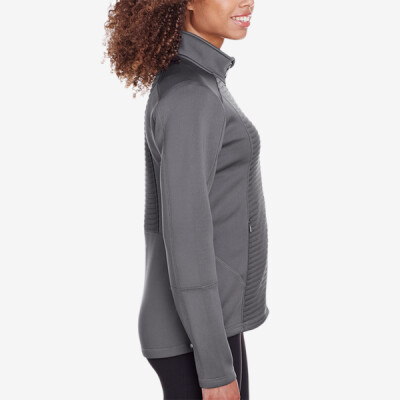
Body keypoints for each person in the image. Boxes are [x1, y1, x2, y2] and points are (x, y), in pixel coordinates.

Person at [104, 1, 269, 399]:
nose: (247, 1)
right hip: (198, 333)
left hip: (210, 321)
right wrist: (214, 370)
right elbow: (187, 240)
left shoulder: (200, 81)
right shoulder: (191, 94)